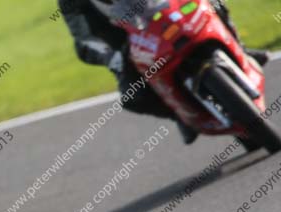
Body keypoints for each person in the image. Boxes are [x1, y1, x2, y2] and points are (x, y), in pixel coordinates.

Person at [59, 0, 270, 145]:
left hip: (164, 12)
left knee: (212, 4)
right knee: (134, 97)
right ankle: (177, 114)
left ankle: (240, 48)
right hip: (127, 43)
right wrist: (112, 56)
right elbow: (84, 39)